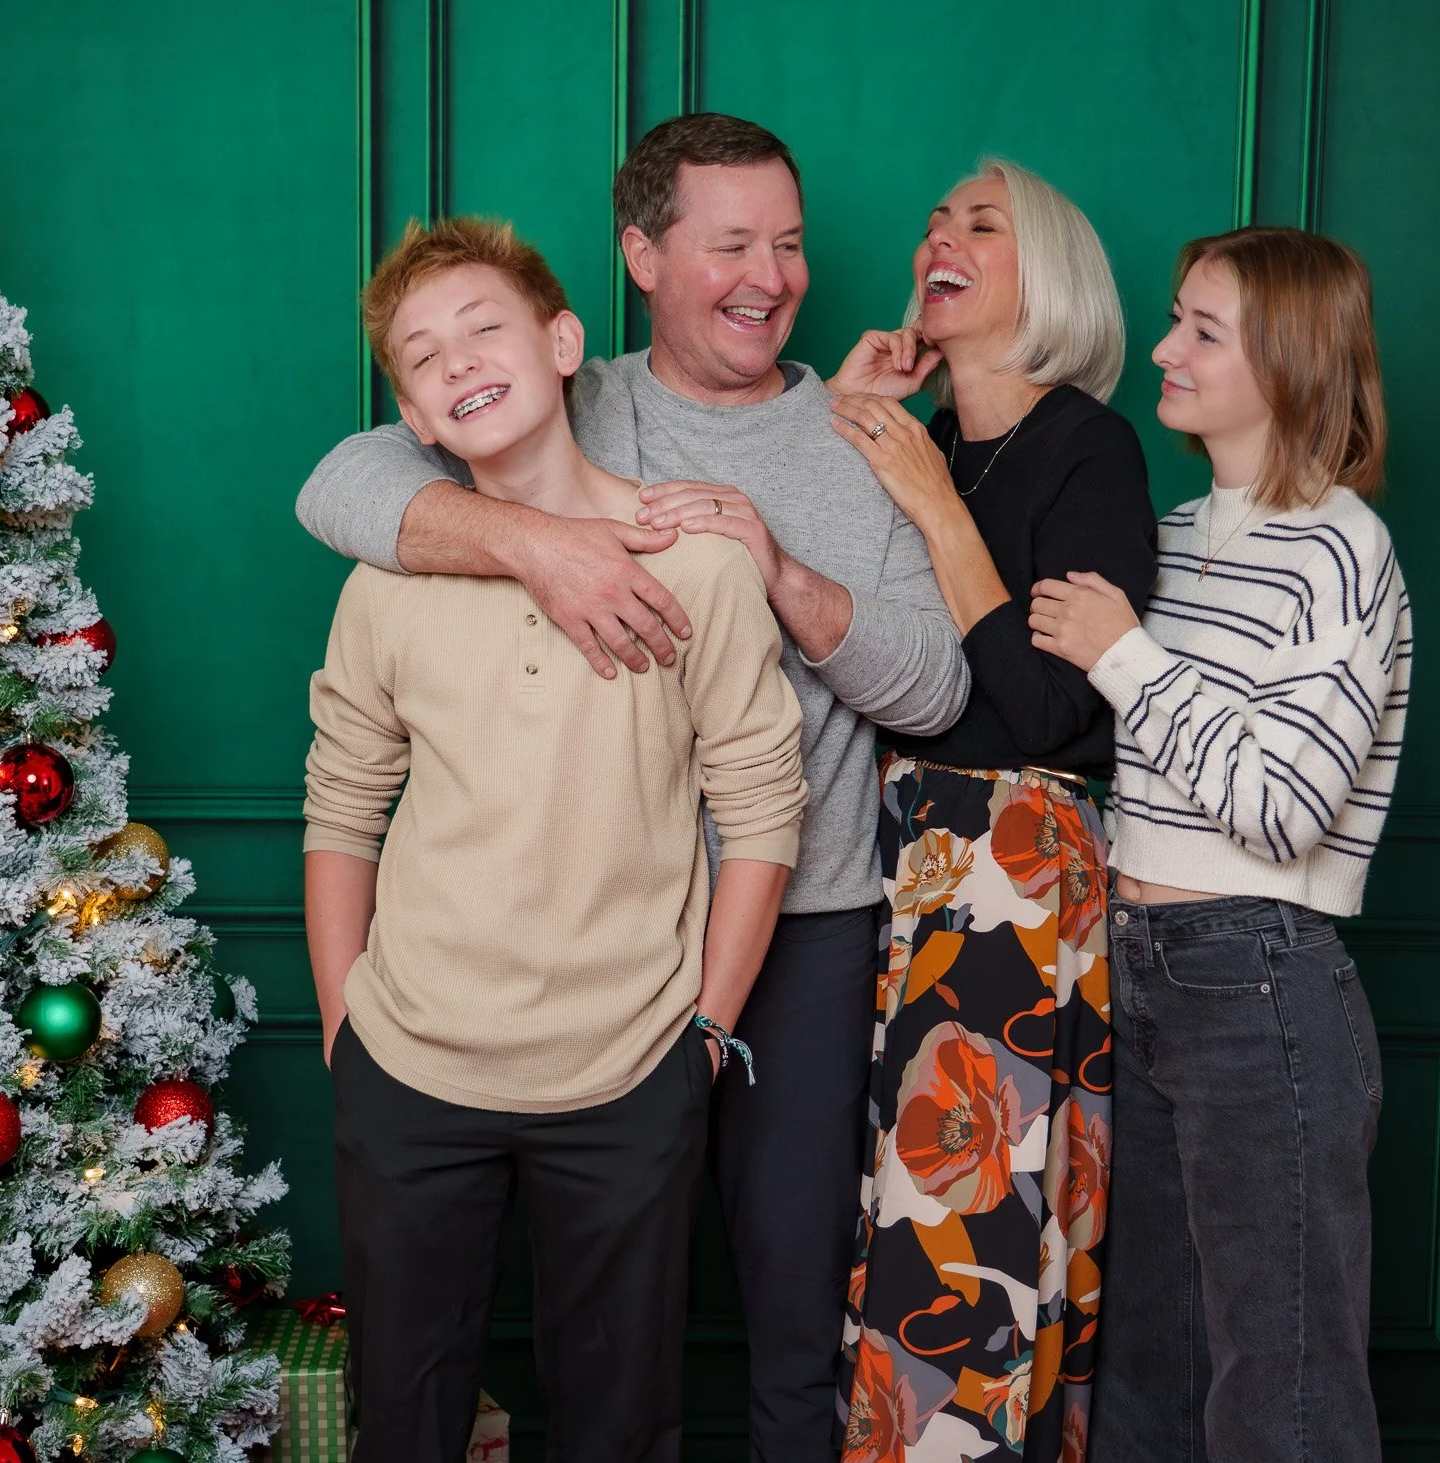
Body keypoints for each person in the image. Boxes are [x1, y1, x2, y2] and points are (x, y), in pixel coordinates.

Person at [296, 113, 968, 1458]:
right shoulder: (551, 406)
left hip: (773, 942)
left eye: (786, 245)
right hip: (490, 1001)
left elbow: (931, 695)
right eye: (729, 245)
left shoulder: (853, 437)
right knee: (431, 1388)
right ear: (642, 257)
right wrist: (538, 545)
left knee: (770, 1321)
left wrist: (778, 571)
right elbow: (342, 493)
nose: (767, 275)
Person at [302, 216, 809, 1462]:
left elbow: (759, 806)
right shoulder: (386, 585)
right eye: (421, 357)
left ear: (564, 342)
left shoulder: (694, 564)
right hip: (410, 1065)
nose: (458, 360)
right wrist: (343, 1023)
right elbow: (342, 803)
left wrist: (700, 1037)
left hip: (627, 1068)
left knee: (619, 1428)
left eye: (483, 326)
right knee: (403, 1424)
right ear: (411, 420)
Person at [1028, 226, 1412, 1462]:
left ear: (1289, 362)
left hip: (1257, 978)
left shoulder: (1340, 548)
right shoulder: (1174, 537)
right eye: (1172, 318)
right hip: (1132, 966)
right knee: (1147, 1361)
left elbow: (1284, 804)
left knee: (1279, 1381)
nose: (1161, 347)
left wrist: (1122, 653)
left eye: (1202, 329)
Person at [824, 159, 1157, 1461]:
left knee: (968, 1231)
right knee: (885, 1222)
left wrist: (932, 505)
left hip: (1019, 868)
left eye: (981, 223)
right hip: (895, 858)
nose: (937, 239)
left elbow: (1051, 716)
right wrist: (851, 427)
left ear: (1052, 273)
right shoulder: (925, 441)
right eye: (932, 222)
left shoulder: (1090, 445)